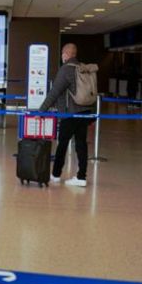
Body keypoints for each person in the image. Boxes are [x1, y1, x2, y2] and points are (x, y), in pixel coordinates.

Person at [38, 43, 98, 187]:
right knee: (81, 144)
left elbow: (55, 92)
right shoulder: (83, 68)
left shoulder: (66, 70)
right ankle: (81, 177)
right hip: (84, 112)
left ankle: (56, 174)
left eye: (62, 54)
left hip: (69, 113)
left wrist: (42, 110)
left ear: (65, 54)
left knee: (62, 144)